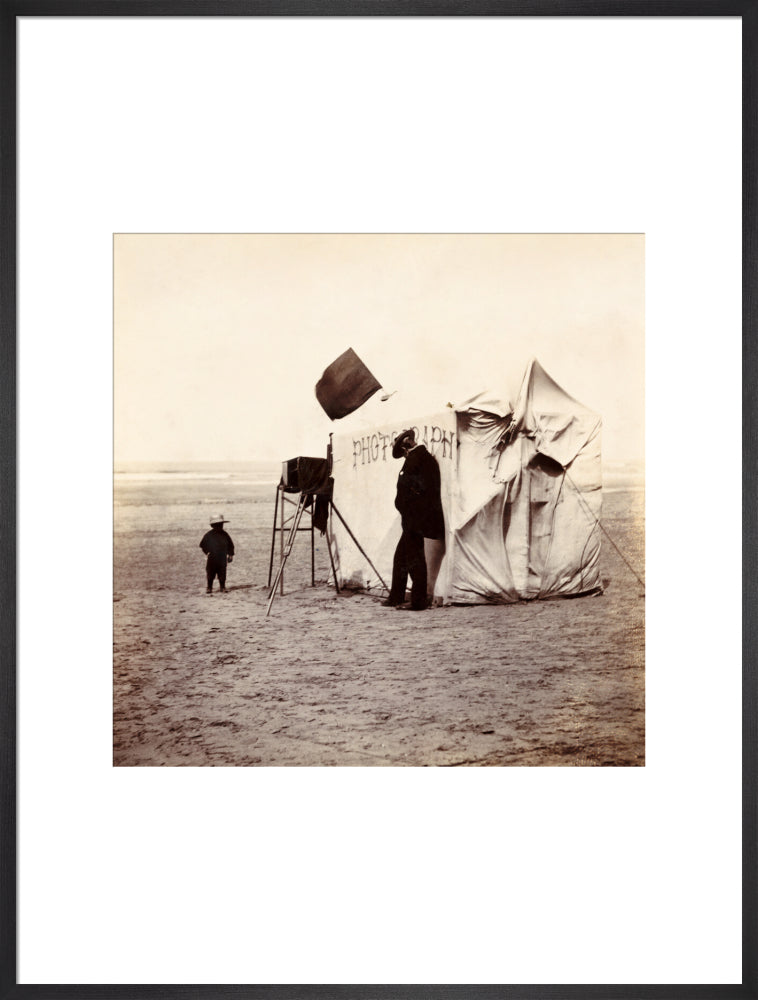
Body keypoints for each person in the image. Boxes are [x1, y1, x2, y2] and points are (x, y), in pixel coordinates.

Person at [382, 429, 445, 611]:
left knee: (415, 559)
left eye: (403, 450)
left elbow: (419, 491)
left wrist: (408, 509)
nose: (404, 454)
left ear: (408, 442)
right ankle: (396, 596)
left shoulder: (418, 460)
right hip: (412, 518)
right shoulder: (420, 459)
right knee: (401, 558)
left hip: (414, 519)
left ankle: (417, 601)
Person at [199, 514, 234, 594]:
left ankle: (222, 587)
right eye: (217, 525)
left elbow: (230, 545)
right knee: (210, 573)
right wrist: (207, 552)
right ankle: (209, 587)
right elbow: (202, 545)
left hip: (222, 558)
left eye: (221, 524)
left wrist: (230, 555)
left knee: (222, 573)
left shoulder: (225, 535)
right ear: (212, 526)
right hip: (212, 558)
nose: (219, 526)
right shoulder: (209, 535)